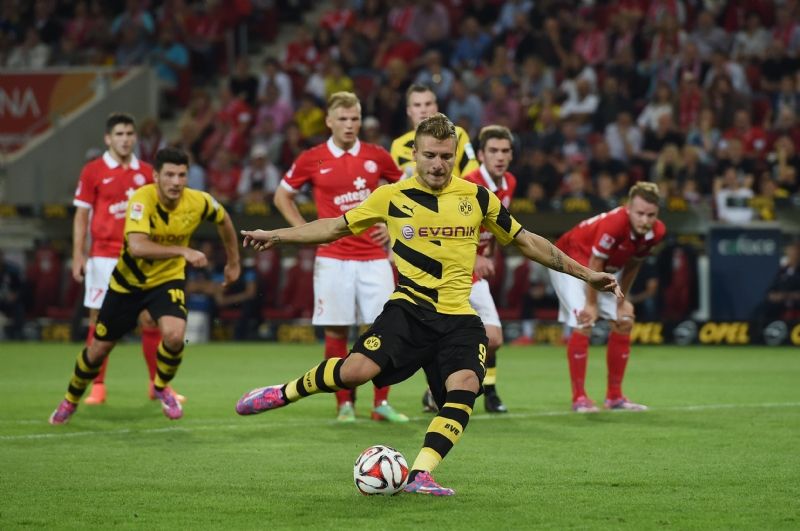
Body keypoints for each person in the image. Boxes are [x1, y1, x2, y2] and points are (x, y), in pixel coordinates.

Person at [236, 113, 622, 496]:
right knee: (354, 372)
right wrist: (278, 235)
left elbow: (527, 241)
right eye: (430, 155)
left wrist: (587, 274)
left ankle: (421, 473)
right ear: (415, 155)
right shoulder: (390, 196)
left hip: (458, 317)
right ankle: (283, 392)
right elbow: (333, 226)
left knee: (465, 387)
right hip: (410, 310)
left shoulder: (476, 197)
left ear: (455, 155)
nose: (438, 164)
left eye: (446, 156)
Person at [49, 147, 241, 425]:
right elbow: (137, 246)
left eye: (182, 175)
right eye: (170, 175)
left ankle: (161, 387)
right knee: (98, 349)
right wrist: (183, 251)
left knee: (175, 336)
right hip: (128, 284)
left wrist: (233, 262)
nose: (176, 182)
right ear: (156, 176)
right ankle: (70, 398)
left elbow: (224, 219)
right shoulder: (141, 199)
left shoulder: (198, 201)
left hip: (167, 280)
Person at [273, 91, 407, 423]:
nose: (349, 125)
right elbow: (281, 196)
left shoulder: (377, 156)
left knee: (383, 330)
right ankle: (344, 405)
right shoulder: (312, 158)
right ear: (329, 121)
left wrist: (391, 227)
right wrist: (305, 231)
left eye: (354, 119)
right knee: (337, 332)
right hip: (333, 258)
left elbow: (407, 194)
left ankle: (380, 403)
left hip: (374, 257)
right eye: (343, 119)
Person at [72, 112, 182, 406]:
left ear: (135, 138)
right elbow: (81, 215)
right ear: (108, 138)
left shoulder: (147, 172)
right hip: (104, 256)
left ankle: (157, 385)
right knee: (99, 322)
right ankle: (98, 386)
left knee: (149, 319)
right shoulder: (93, 171)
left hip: (140, 257)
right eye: (119, 134)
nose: (125, 139)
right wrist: (78, 254)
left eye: (129, 134)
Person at [421, 124, 518, 414]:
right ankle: (474, 391)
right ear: (481, 155)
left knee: (494, 338)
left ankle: (480, 389)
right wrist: (474, 257)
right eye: (493, 151)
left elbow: (497, 224)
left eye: (505, 151)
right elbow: (443, 229)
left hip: (475, 274)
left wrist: (491, 254)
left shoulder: (509, 183)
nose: (499, 156)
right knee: (455, 335)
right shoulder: (467, 185)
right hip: (451, 271)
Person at [548, 182, 666, 413]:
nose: (645, 220)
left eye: (651, 215)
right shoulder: (615, 224)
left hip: (600, 269)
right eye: (640, 213)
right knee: (585, 319)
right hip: (568, 261)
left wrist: (622, 301)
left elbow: (633, 264)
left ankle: (615, 397)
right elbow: (595, 263)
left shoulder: (657, 232)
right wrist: (591, 304)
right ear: (629, 209)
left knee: (625, 319)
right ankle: (579, 398)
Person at [390, 84, 479, 180]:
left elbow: (473, 174)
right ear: (409, 111)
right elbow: (395, 182)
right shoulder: (398, 145)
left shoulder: (457, 134)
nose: (423, 110)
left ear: (436, 107)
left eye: (428, 104)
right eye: (417, 105)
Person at [0, 249, 25, 340]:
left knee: (19, 308)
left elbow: (21, 287)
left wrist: (15, 295)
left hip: (8, 300)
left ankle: (16, 333)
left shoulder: (12, 270)